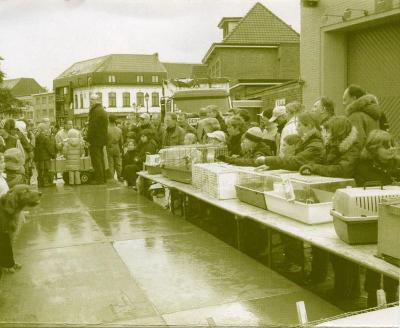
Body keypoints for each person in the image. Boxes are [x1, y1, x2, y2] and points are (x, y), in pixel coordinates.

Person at [354, 130, 399, 307]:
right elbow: (360, 192)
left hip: (393, 221)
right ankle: (371, 298)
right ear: (373, 148)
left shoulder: (397, 164)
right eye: (385, 146)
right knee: (372, 261)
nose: (391, 149)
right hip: (370, 220)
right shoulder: (362, 166)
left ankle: (392, 296)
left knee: (392, 258)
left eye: (392, 144)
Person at [256, 112, 324, 171]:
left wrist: (267, 160)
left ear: (309, 126)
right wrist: (273, 166)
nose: (296, 128)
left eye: (299, 125)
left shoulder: (315, 145)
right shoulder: (306, 142)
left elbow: (296, 161)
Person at [86, 93, 108, 185]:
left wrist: (88, 138)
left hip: (95, 139)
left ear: (97, 100)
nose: (90, 101)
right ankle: (103, 178)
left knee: (96, 159)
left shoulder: (95, 111)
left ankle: (99, 179)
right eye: (90, 99)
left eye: (92, 99)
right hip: (101, 138)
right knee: (101, 158)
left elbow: (93, 126)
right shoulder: (101, 110)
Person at [34, 123, 56, 187]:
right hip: (45, 157)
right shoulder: (45, 138)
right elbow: (49, 147)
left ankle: (40, 183)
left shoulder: (36, 137)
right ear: (44, 129)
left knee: (40, 171)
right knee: (46, 170)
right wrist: (53, 155)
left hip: (38, 157)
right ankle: (46, 183)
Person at [107, 115, 123, 181]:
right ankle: (120, 176)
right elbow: (121, 141)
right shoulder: (119, 130)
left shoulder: (106, 129)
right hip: (117, 147)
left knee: (110, 163)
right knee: (118, 163)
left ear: (108, 120)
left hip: (109, 147)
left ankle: (111, 177)